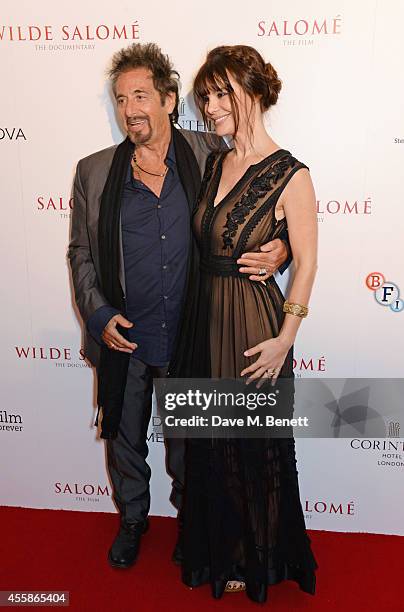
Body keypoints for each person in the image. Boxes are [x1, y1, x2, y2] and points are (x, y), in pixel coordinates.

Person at [68, 42, 290, 571]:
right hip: (126, 337)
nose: (130, 109)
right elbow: (80, 253)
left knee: (191, 446)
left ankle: (193, 521)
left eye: (141, 95)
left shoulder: (212, 154)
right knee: (125, 441)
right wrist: (98, 316)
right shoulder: (94, 172)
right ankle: (132, 519)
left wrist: (280, 245)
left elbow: (259, 210)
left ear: (169, 99)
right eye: (121, 99)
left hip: (194, 331)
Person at [169, 45, 318, 603]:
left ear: (252, 92)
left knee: (253, 447)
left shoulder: (291, 174)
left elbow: (307, 262)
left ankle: (259, 557)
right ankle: (218, 549)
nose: (209, 106)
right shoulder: (213, 159)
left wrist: (286, 338)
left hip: (255, 326)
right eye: (204, 96)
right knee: (211, 444)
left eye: (221, 93)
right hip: (204, 318)